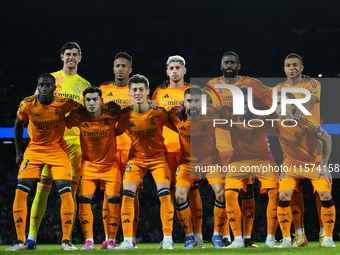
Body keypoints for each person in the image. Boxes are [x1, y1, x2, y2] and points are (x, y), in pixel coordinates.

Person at [27, 42, 91, 249]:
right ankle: (31, 237)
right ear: (61, 56)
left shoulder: (84, 84)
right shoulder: (50, 81)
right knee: (41, 190)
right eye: (68, 54)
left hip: (75, 145)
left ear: (80, 58)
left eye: (75, 54)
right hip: (51, 143)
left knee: (69, 193)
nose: (71, 57)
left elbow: (88, 115)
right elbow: (34, 108)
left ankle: (67, 239)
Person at [206, 51, 273, 247]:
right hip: (220, 149)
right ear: (221, 66)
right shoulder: (212, 86)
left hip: (245, 148)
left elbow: (271, 98)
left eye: (232, 62)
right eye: (226, 62)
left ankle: (247, 237)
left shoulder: (251, 84)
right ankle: (223, 235)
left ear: (239, 65)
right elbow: (201, 110)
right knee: (224, 194)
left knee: (247, 192)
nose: (229, 65)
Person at [7, 74, 80, 251]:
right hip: (34, 150)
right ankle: (19, 240)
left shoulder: (65, 103)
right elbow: (18, 124)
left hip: (57, 150)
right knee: (20, 191)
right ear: (37, 87)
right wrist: (18, 152)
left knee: (66, 192)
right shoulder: (27, 104)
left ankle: (66, 241)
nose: (44, 88)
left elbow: (85, 110)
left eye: (48, 85)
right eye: (41, 85)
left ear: (55, 88)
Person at [117, 74, 176, 249]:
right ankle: (128, 240)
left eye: (141, 89)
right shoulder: (125, 116)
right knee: (127, 194)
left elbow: (179, 127)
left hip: (159, 159)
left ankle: (167, 239)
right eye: (134, 90)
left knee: (165, 195)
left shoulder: (159, 113)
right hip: (135, 159)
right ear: (129, 92)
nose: (137, 93)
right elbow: (112, 133)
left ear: (147, 91)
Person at [151, 55, 204, 248]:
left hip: (188, 151)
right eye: (171, 68)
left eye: (178, 67)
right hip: (165, 149)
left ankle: (197, 236)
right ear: (167, 71)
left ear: (184, 70)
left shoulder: (193, 92)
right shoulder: (158, 92)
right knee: (169, 194)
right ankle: (169, 237)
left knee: (193, 192)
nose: (174, 71)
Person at [219, 89, 279, 248]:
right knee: (230, 194)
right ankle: (238, 239)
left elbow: (284, 131)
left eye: (247, 102)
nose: (244, 105)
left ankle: (270, 239)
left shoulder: (264, 117)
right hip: (239, 160)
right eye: (241, 102)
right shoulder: (230, 118)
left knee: (276, 193)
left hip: (263, 160)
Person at [274, 92, 335, 248]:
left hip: (313, 164)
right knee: (283, 195)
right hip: (291, 165)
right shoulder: (273, 122)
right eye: (277, 104)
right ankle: (288, 239)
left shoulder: (306, 122)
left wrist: (324, 164)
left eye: (282, 103)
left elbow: (327, 138)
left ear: (293, 106)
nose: (279, 107)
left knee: (325, 195)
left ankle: (326, 238)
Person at [169, 87, 227, 249]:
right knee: (179, 196)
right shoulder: (175, 116)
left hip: (211, 161)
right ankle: (190, 237)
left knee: (221, 193)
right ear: (184, 103)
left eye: (196, 100)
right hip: (187, 162)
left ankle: (217, 236)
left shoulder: (213, 115)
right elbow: (156, 115)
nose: (193, 104)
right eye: (189, 101)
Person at [275, 53, 323, 247]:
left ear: (302, 67)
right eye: (288, 65)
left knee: (322, 193)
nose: (291, 68)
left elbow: (310, 102)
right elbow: (275, 112)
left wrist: (293, 111)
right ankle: (299, 235)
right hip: (290, 150)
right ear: (284, 68)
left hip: (313, 150)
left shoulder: (312, 85)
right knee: (289, 192)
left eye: (295, 65)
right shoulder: (278, 89)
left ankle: (324, 235)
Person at [66, 87, 121, 250]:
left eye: (95, 99)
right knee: (83, 202)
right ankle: (89, 241)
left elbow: (130, 115)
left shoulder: (111, 114)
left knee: (113, 203)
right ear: (84, 101)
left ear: (101, 100)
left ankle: (111, 241)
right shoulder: (78, 116)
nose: (91, 102)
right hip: (88, 167)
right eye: (88, 99)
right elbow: (61, 122)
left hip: (111, 166)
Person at [99, 52, 137, 249]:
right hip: (109, 151)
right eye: (117, 66)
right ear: (113, 69)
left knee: (132, 194)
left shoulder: (137, 90)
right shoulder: (103, 89)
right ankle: (109, 237)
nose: (120, 69)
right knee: (108, 195)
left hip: (132, 150)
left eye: (124, 66)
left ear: (130, 70)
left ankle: (131, 238)